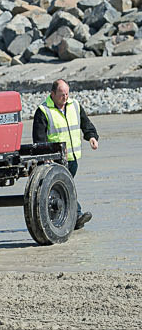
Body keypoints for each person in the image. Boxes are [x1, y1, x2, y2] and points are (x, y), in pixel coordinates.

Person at [32, 79, 99, 230]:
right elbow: (39, 138)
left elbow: (85, 123)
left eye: (67, 94)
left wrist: (92, 137)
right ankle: (76, 216)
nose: (65, 97)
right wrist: (45, 156)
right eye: (62, 94)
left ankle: (66, 217)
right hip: (55, 160)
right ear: (53, 94)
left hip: (73, 158)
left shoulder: (74, 105)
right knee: (65, 187)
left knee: (63, 188)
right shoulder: (43, 111)